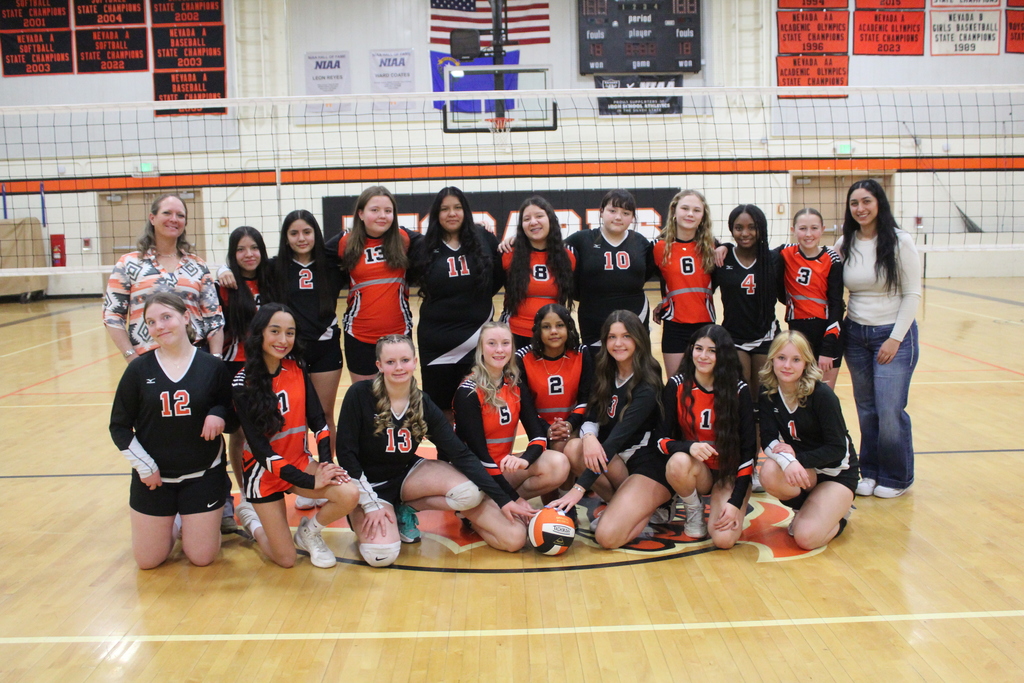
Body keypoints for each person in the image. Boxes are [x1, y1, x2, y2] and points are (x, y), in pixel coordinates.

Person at [336, 335, 537, 565]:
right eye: (390, 362)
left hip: (406, 477)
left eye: (404, 360)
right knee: (381, 555)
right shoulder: (360, 394)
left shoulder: (422, 402)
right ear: (379, 366)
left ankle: (404, 509)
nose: (399, 367)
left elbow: (459, 454)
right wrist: (370, 504)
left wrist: (505, 500)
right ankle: (363, 513)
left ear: (414, 361)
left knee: (469, 493)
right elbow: (345, 454)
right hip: (369, 485)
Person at [220, 210, 344, 510]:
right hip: (286, 350)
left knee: (322, 415)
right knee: (260, 425)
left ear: (316, 233)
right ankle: (249, 492)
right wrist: (222, 270)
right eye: (293, 233)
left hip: (323, 347)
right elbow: (243, 268)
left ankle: (322, 473)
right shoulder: (276, 269)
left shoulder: (332, 264)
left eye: (307, 232)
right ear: (285, 238)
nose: (301, 238)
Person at [231, 304, 360, 569]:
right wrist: (310, 481)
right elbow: (260, 450)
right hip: (263, 474)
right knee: (286, 560)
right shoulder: (242, 382)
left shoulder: (297, 368)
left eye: (289, 333)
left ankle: (308, 532)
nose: (283, 340)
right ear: (260, 334)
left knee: (348, 494)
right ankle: (252, 520)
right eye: (275, 331)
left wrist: (324, 464)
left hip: (299, 460)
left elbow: (320, 422)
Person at [109, 292, 231, 569]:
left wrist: (218, 414)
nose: (160, 327)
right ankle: (176, 520)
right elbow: (119, 426)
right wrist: (144, 466)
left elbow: (231, 413)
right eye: (151, 322)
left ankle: (192, 520)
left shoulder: (212, 367)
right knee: (148, 561)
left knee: (201, 558)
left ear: (185, 317)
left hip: (202, 475)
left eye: (166, 317)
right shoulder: (139, 370)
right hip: (155, 479)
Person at [548, 311, 672, 550]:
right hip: (616, 460)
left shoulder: (648, 381)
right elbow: (592, 416)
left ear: (639, 339)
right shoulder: (606, 370)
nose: (618, 343)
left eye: (626, 336)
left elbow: (616, 439)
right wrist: (590, 436)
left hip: (645, 464)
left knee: (607, 538)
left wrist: (577, 489)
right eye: (612, 337)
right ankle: (619, 505)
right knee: (575, 447)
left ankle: (653, 507)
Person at [835, 179, 921, 498]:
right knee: (867, 409)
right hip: (856, 335)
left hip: (892, 335)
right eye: (855, 203)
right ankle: (869, 472)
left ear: (879, 203)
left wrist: (895, 338)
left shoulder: (899, 241)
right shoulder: (846, 242)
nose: (860, 208)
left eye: (866, 201)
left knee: (889, 410)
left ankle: (897, 476)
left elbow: (912, 293)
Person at [757, 331, 858, 550]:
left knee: (805, 539)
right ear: (772, 359)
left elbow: (837, 449)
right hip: (806, 471)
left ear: (806, 363)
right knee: (769, 471)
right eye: (781, 358)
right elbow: (768, 439)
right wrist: (788, 462)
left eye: (796, 359)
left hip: (836, 473)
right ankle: (805, 509)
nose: (787, 365)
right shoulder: (768, 392)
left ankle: (839, 515)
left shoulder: (822, 396)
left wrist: (797, 459)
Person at [454, 322, 571, 507]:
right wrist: (513, 499)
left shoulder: (514, 385)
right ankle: (486, 507)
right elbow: (481, 457)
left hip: (501, 471)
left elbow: (539, 437)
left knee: (558, 463)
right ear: (481, 349)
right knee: (515, 537)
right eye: (492, 343)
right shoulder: (468, 393)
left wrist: (525, 460)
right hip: (474, 478)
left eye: (505, 343)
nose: (499, 350)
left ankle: (501, 503)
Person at [660, 324, 756, 549]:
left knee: (724, 541)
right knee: (678, 461)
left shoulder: (738, 390)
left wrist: (734, 502)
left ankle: (727, 503)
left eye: (712, 351)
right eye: (698, 348)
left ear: (723, 354)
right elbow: (660, 440)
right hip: (698, 471)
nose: (703, 356)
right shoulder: (676, 385)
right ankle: (693, 509)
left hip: (728, 475)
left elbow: (748, 453)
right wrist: (688, 447)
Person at [411, 187, 502, 419]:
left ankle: (478, 456)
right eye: (445, 209)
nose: (451, 214)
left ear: (466, 211)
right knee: (441, 411)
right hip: (437, 343)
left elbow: (499, 276)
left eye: (457, 208)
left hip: (477, 339)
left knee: (478, 407)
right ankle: (446, 456)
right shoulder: (424, 245)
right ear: (436, 214)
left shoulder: (484, 239)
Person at [103, 193, 224, 361]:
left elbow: (214, 318)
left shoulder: (198, 265)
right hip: (148, 357)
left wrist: (216, 358)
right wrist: (131, 357)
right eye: (167, 213)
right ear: (152, 218)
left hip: (195, 355)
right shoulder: (128, 263)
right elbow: (112, 316)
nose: (174, 219)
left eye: (180, 215)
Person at [328, 185, 423, 384]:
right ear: (361, 213)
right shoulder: (345, 242)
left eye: (388, 211)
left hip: (399, 334)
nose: (382, 216)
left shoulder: (403, 238)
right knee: (367, 401)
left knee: (399, 400)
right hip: (359, 335)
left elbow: (438, 241)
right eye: (375, 210)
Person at [218, 226, 275, 514]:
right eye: (241, 249)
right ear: (233, 254)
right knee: (238, 432)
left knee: (271, 428)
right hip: (235, 365)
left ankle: (274, 485)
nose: (248, 254)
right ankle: (245, 495)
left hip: (270, 365)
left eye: (253, 248)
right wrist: (218, 269)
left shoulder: (272, 280)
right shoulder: (226, 286)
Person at [564, 189, 655, 346]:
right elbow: (547, 249)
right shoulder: (581, 240)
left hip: (635, 315)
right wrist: (513, 241)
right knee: (595, 367)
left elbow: (649, 272)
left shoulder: (640, 242)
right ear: (601, 212)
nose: (618, 217)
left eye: (626, 213)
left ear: (633, 217)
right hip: (593, 319)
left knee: (635, 367)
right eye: (612, 211)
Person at [713, 204, 779, 401]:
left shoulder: (773, 259)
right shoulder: (722, 259)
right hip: (734, 337)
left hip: (765, 336)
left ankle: (763, 433)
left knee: (763, 396)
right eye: (738, 228)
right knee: (742, 394)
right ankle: (744, 433)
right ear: (731, 229)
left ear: (761, 228)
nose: (745, 233)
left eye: (752, 227)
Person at [652, 189, 716, 378]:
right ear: (674, 211)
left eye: (696, 210)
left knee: (705, 384)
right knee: (676, 385)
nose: (690, 214)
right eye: (685, 208)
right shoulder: (659, 247)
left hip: (705, 325)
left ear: (703, 216)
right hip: (675, 326)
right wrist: (662, 303)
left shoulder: (713, 247)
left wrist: (725, 248)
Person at [777, 208, 844, 388]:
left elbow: (837, 305)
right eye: (803, 228)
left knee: (824, 396)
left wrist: (828, 348)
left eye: (814, 228)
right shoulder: (785, 253)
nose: (808, 234)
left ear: (823, 229)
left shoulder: (832, 260)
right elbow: (757, 256)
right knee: (800, 394)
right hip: (798, 333)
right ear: (793, 230)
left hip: (826, 335)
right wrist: (725, 247)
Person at [515, 304, 593, 454]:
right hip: (539, 426)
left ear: (569, 327)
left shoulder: (581, 353)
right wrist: (546, 429)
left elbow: (586, 397)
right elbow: (525, 406)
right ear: (538, 330)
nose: (554, 332)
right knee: (559, 448)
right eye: (546, 327)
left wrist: (569, 424)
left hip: (574, 424)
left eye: (559, 325)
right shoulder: (522, 357)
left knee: (564, 446)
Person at [501, 196, 576, 349]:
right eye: (526, 218)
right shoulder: (508, 253)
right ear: (522, 225)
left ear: (550, 219)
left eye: (539, 216)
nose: (533, 222)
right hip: (516, 333)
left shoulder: (568, 256)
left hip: (554, 334)